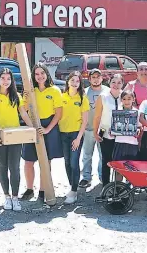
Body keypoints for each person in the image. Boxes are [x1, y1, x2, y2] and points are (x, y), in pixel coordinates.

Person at [0, 68, 35, 211]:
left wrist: (32, 128)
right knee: (2, 167)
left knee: (14, 167)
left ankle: (15, 198)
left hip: (15, 137)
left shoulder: (16, 96)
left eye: (8, 79)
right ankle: (7, 197)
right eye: (2, 78)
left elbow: (23, 113)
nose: (5, 81)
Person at [20, 63, 64, 202]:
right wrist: (26, 97)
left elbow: (58, 114)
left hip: (48, 125)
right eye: (37, 74)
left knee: (45, 161)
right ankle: (29, 189)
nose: (40, 76)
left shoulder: (54, 90)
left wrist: (47, 129)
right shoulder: (30, 91)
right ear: (33, 76)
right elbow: (24, 109)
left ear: (47, 74)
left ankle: (43, 190)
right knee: (28, 161)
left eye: (42, 73)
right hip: (33, 124)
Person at [59, 71, 89, 204]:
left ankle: (74, 190)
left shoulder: (82, 98)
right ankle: (72, 187)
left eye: (77, 81)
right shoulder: (61, 96)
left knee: (73, 162)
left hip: (76, 134)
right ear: (68, 81)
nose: (74, 83)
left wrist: (78, 138)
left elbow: (85, 121)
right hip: (63, 134)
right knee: (66, 162)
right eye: (72, 80)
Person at [79, 69, 108, 188]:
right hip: (89, 128)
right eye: (93, 77)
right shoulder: (84, 93)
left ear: (102, 78)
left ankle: (102, 177)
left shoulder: (108, 91)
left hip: (103, 130)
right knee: (87, 154)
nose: (96, 79)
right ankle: (86, 177)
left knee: (103, 155)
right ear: (89, 79)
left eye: (98, 76)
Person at [93, 74, 124, 186]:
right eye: (113, 82)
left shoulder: (124, 96)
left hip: (121, 135)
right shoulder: (103, 97)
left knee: (119, 161)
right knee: (106, 160)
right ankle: (106, 186)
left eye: (119, 82)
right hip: (106, 133)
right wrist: (95, 132)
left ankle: (118, 186)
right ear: (109, 83)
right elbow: (97, 116)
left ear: (122, 84)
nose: (116, 85)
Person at [109, 90, 142, 182]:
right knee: (118, 168)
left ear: (133, 99)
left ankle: (128, 190)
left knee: (130, 168)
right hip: (119, 143)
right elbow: (112, 128)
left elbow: (140, 127)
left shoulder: (137, 112)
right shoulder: (117, 112)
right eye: (124, 99)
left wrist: (138, 131)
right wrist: (111, 131)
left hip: (132, 144)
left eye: (129, 99)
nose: (126, 101)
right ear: (121, 100)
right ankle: (118, 189)